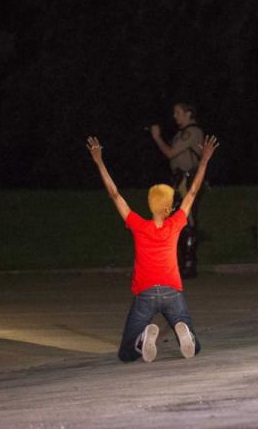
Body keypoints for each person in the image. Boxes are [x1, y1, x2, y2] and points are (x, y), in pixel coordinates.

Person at [86, 133, 219, 363]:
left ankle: (141, 339)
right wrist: (205, 159)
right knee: (194, 348)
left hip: (145, 293)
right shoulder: (175, 223)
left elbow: (115, 194)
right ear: (169, 208)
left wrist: (99, 161)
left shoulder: (138, 225)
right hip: (172, 292)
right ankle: (182, 331)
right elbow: (193, 192)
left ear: (150, 204)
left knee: (126, 354)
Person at [150, 102, 205, 278]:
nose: (175, 116)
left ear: (189, 113)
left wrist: (157, 137)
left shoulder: (192, 132)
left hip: (188, 181)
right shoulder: (180, 134)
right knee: (176, 221)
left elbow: (171, 153)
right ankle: (179, 263)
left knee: (187, 220)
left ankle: (189, 264)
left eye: (178, 112)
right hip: (179, 180)